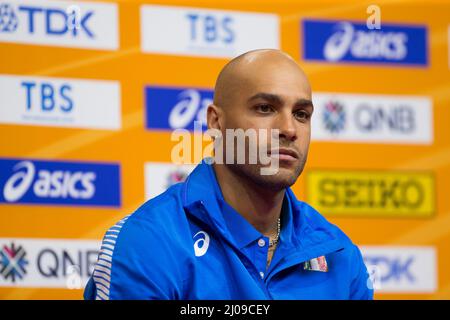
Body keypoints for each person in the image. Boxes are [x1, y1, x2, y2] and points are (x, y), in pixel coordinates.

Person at [84, 49, 373, 300]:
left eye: (301, 114)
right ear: (216, 122)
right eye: (265, 108)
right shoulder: (149, 242)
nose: (289, 129)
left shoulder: (338, 254)